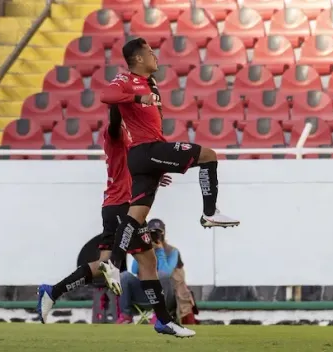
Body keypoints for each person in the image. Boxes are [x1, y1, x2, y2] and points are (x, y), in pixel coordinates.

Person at [98, 37, 240, 331]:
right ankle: (209, 212)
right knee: (208, 156)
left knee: (136, 215)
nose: (155, 55)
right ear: (137, 58)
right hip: (146, 151)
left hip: (146, 156)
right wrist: (138, 99)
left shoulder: (150, 84)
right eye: (150, 52)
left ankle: (114, 262)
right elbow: (106, 96)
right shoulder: (127, 79)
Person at [36, 107, 194, 338]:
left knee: (103, 263)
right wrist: (119, 102)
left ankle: (53, 291)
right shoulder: (116, 134)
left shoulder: (130, 143)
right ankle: (163, 320)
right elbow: (113, 122)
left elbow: (131, 173)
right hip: (123, 208)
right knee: (148, 262)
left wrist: (156, 177)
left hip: (114, 207)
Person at [116, 218, 178, 324]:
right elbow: (134, 270)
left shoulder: (172, 251)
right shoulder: (142, 248)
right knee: (124, 276)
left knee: (161, 275)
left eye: (157, 233)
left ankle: (160, 315)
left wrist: (160, 251)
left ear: (163, 234)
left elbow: (166, 272)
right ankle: (126, 316)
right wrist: (144, 250)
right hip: (145, 292)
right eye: (151, 233)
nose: (154, 236)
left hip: (164, 296)